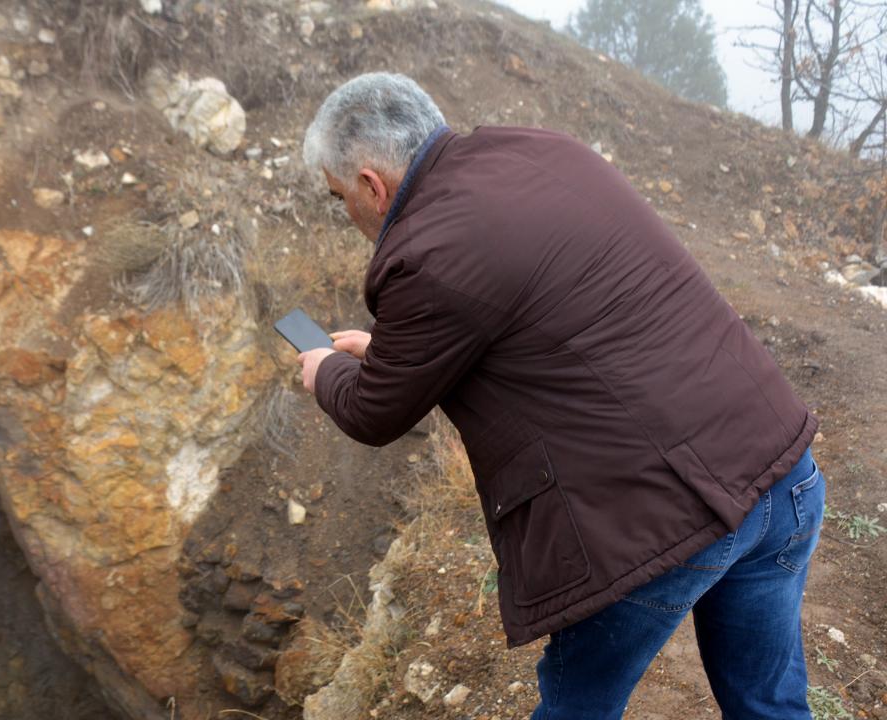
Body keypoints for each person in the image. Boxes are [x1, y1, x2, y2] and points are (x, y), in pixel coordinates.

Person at [295, 72, 824, 719]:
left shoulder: (425, 250)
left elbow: (371, 412)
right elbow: (539, 311)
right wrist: (393, 352)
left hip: (660, 525)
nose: (343, 211)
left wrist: (321, 368)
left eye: (337, 195)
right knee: (769, 705)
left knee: (578, 706)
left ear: (372, 188)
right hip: (779, 467)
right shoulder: (540, 151)